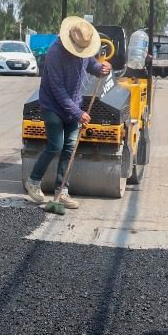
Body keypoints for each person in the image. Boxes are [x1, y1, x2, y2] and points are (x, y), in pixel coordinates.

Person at [24, 16, 111, 209]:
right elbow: (57, 89)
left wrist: (102, 69)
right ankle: (33, 181)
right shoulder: (55, 53)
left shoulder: (84, 49)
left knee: (70, 147)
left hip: (74, 104)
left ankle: (62, 190)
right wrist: (77, 112)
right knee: (56, 145)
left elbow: (92, 65)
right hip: (53, 105)